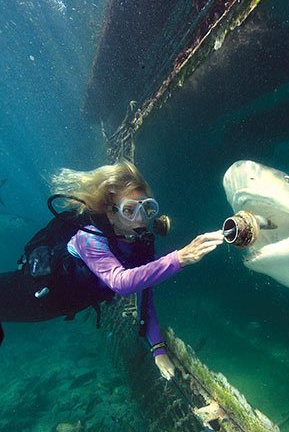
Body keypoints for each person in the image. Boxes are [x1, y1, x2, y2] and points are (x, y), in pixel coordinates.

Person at [0, 160, 223, 377]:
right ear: (111, 212)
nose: (142, 218)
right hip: (29, 294)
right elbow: (121, 283)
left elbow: (146, 294)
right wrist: (180, 258)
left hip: (56, 307)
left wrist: (158, 349)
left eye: (147, 208)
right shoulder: (88, 237)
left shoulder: (138, 244)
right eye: (129, 210)